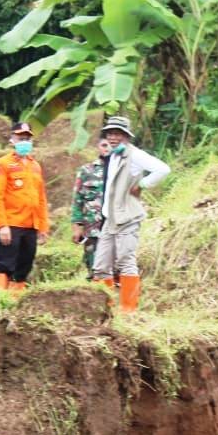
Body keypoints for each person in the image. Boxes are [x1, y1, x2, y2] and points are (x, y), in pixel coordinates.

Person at [92, 115, 170, 312]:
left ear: (126, 136)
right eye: (110, 133)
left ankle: (129, 311)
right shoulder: (113, 155)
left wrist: (142, 184)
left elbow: (163, 169)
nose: (113, 137)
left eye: (118, 134)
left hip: (127, 217)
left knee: (126, 262)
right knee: (101, 266)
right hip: (110, 218)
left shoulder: (134, 155)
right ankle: (105, 310)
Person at [0, 121, 49, 292]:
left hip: (30, 225)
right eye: (20, 137)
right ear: (12, 140)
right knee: (4, 265)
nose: (24, 141)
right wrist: (2, 225)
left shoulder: (35, 166)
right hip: (11, 224)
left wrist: (43, 227)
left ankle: (14, 304)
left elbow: (41, 198)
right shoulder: (3, 164)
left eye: (27, 138)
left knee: (24, 267)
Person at [70, 138, 110, 279]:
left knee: (116, 267)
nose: (107, 148)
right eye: (104, 145)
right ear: (98, 147)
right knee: (93, 267)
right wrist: (77, 225)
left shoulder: (121, 170)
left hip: (114, 226)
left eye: (110, 145)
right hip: (92, 227)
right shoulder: (86, 171)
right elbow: (77, 199)